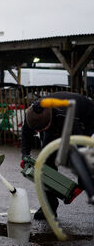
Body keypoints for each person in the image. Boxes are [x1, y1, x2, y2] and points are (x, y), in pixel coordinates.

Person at [21, 91, 94, 220]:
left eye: (42, 130)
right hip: (57, 122)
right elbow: (26, 134)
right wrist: (25, 155)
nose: (39, 133)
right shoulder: (31, 115)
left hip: (87, 117)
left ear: (49, 123)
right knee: (44, 164)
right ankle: (49, 207)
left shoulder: (66, 116)